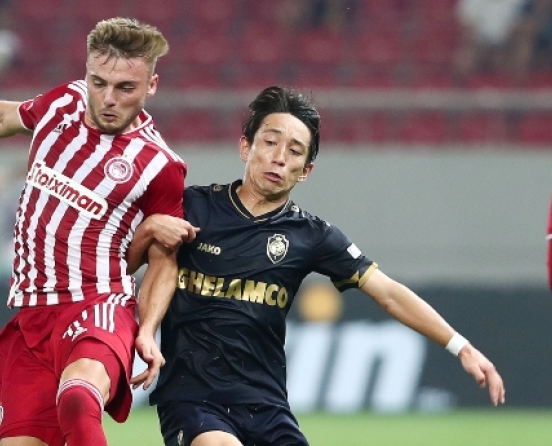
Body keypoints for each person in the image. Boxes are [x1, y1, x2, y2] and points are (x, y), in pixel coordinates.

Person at [129, 86, 506, 446]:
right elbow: (120, 265)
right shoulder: (192, 207)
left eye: (294, 151)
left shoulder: (311, 235)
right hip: (193, 398)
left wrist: (462, 348)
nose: (279, 157)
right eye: (270, 142)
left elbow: (388, 293)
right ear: (246, 147)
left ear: (305, 170)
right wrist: (147, 231)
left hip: (266, 405)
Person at [0, 17, 197, 446]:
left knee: (78, 400)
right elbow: (3, 118)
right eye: (99, 83)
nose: (108, 99)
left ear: (151, 86)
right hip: (32, 316)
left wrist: (147, 329)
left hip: (98, 305)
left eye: (125, 88)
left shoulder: (159, 164)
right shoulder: (64, 102)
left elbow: (164, 258)